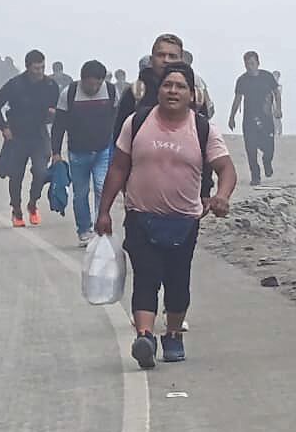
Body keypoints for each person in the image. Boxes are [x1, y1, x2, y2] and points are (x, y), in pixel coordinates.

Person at [97, 62, 237, 369]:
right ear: (158, 90)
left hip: (184, 221)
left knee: (177, 281)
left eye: (180, 86)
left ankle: (173, 335)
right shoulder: (137, 122)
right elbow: (118, 167)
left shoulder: (203, 129)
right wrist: (104, 210)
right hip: (140, 216)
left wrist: (222, 197)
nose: (173, 91)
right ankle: (145, 337)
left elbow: (226, 169)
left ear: (192, 94)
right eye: (167, 85)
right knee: (145, 277)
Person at [0, 50, 60, 226]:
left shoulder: (51, 85)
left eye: (42, 67)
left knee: (41, 172)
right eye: (36, 68)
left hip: (39, 135)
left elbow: (57, 109)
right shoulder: (15, 84)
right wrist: (3, 127)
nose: (40, 72)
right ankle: (16, 210)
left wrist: (53, 114)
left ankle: (33, 203)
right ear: (28, 67)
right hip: (17, 135)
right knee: (16, 175)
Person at [52, 60, 118, 246]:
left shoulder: (111, 91)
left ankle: (100, 228)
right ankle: (83, 230)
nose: (94, 88)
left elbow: (118, 121)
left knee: (101, 188)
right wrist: (56, 152)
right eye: (90, 84)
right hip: (78, 152)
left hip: (103, 150)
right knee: (80, 193)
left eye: (98, 84)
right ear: (82, 79)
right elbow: (58, 125)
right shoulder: (69, 93)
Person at [229, 50, 281, 186]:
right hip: (249, 120)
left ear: (258, 63)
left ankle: (267, 162)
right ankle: (255, 176)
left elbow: (276, 92)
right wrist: (232, 117)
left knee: (269, 147)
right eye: (247, 64)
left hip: (266, 119)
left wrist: (278, 109)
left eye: (252, 63)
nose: (249, 67)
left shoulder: (267, 77)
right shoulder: (242, 80)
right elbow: (237, 99)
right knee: (250, 149)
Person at [272, 70, 285, 136]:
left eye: (276, 76)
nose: (275, 78)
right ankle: (274, 132)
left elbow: (278, 96)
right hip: (271, 104)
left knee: (277, 119)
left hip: (276, 104)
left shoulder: (279, 86)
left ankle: (279, 132)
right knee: (272, 119)